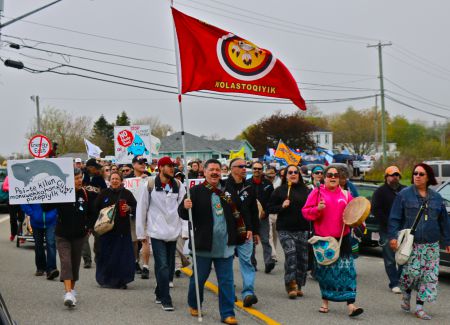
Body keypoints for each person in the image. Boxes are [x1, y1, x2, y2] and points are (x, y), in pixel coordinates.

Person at [179, 159, 238, 325]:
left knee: (226, 282)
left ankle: (227, 313)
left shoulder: (228, 191)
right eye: (211, 169)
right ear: (204, 172)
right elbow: (183, 214)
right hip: (203, 245)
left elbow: (238, 212)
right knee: (198, 279)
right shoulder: (195, 191)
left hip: (225, 246)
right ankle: (194, 303)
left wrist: (245, 230)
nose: (215, 172)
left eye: (217, 170)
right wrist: (185, 206)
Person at [388, 163, 450, 320]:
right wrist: (393, 237)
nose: (417, 176)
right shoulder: (404, 195)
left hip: (431, 245)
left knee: (428, 277)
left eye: (421, 174)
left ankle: (420, 307)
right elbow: (394, 218)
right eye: (415, 173)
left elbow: (444, 222)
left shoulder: (437, 198)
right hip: (411, 245)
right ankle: (407, 295)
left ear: (428, 177)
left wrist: (447, 241)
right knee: (411, 274)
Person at [302, 166, 364, 317]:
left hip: (343, 238)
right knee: (325, 273)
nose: (333, 177)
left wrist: (360, 222)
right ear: (324, 177)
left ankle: (351, 305)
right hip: (324, 240)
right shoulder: (316, 192)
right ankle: (325, 302)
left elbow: (353, 212)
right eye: (329, 174)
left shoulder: (345, 194)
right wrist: (318, 209)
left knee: (348, 271)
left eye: (336, 175)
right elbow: (305, 212)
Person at [136, 156, 187, 311]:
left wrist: (185, 230)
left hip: (173, 232)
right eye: (168, 165)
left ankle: (159, 292)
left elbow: (184, 210)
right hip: (156, 231)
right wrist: (141, 233)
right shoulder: (149, 185)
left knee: (168, 266)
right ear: (160, 167)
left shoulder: (178, 185)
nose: (172, 168)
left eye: (173, 166)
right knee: (163, 265)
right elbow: (141, 209)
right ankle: (166, 298)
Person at [44, 168, 95, 307]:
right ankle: (67, 293)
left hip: (79, 235)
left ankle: (71, 290)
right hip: (62, 235)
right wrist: (46, 194)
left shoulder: (85, 194)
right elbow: (46, 207)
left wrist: (88, 227)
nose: (79, 180)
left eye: (80, 177)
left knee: (74, 264)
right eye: (76, 178)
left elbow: (92, 213)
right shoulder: (61, 193)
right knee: (66, 262)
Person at [267, 165, 310, 298]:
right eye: (289, 172)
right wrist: (282, 206)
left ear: (299, 174)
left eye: (295, 172)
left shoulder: (306, 190)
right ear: (285, 176)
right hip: (285, 228)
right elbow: (269, 208)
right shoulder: (280, 191)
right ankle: (290, 285)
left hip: (302, 228)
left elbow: (311, 208)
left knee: (302, 258)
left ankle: (299, 284)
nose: (293, 174)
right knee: (291, 255)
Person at [226, 158, 259, 308]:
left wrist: (255, 230)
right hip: (227, 232)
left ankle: (248, 293)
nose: (244, 169)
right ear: (232, 168)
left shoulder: (250, 187)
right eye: (241, 166)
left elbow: (253, 211)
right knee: (226, 263)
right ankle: (228, 291)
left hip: (246, 231)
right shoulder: (223, 186)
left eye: (245, 166)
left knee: (247, 262)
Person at [95, 172, 137, 289]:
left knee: (122, 257)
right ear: (109, 180)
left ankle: (121, 281)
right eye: (112, 179)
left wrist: (129, 208)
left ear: (121, 180)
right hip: (106, 231)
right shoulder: (104, 193)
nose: (114, 181)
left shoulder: (127, 194)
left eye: (117, 179)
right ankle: (105, 279)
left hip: (122, 231)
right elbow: (95, 208)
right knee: (106, 256)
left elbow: (136, 207)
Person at [371, 166, 406, 294]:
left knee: (404, 257)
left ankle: (402, 282)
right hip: (386, 229)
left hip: (404, 230)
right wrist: (390, 223)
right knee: (390, 258)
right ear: (386, 177)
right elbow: (376, 209)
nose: (394, 177)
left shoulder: (405, 190)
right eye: (392, 175)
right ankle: (394, 283)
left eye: (397, 175)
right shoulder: (380, 191)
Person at [20, 203, 59, 280]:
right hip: (36, 221)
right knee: (38, 245)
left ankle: (51, 269)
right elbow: (23, 200)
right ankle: (40, 267)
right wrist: (31, 213)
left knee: (51, 243)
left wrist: (56, 212)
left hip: (51, 221)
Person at [249, 161, 275, 274]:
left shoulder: (268, 184)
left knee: (265, 239)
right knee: (251, 242)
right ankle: (252, 264)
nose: (257, 170)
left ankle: (268, 262)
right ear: (252, 169)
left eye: (259, 169)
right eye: (255, 168)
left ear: (262, 170)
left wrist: (266, 211)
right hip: (250, 217)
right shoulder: (247, 183)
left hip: (264, 216)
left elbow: (272, 201)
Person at [82, 158, 107, 269]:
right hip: (85, 213)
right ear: (89, 167)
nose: (95, 169)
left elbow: (105, 193)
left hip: (97, 213)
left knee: (98, 239)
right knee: (84, 238)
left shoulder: (100, 179)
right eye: (93, 167)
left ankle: (98, 256)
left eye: (96, 167)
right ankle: (87, 260)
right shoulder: (83, 177)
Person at [3, 176, 25, 242]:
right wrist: (13, 189)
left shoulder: (22, 176)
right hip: (12, 200)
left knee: (22, 218)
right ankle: (13, 233)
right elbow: (4, 187)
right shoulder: (8, 177)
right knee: (13, 219)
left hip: (21, 200)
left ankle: (21, 235)